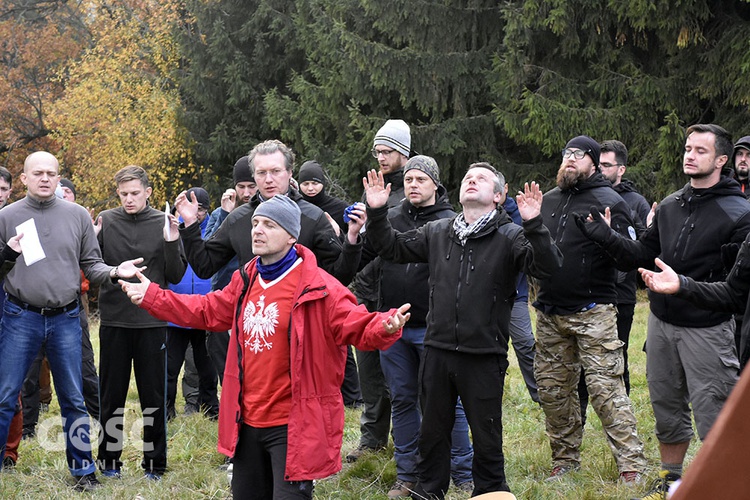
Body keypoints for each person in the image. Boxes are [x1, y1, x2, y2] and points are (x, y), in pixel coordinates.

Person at [119, 195, 411, 499]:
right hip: (246, 421)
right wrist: (152, 296)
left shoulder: (319, 287)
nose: (257, 230)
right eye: (255, 223)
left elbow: (356, 324)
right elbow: (206, 310)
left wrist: (384, 325)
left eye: (269, 225)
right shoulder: (245, 280)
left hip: (293, 425)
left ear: (291, 236)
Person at [363, 162, 563, 498]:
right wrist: (379, 211)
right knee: (432, 435)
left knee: (487, 438)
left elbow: (549, 267)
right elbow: (391, 248)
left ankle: (489, 492)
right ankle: (428, 492)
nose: (472, 180)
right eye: (468, 177)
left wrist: (534, 225)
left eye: (482, 178)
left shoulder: (510, 235)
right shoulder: (439, 231)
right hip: (437, 350)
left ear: (499, 196)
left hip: (483, 354)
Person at [575, 124, 750, 499]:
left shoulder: (740, 213)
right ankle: (671, 478)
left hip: (708, 329)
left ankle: (725, 486)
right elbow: (642, 256)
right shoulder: (671, 204)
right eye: (687, 148)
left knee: (714, 413)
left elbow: (737, 294)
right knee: (666, 405)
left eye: (700, 151)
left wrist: (682, 285)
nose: (690, 155)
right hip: (661, 323)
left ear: (722, 159)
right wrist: (605, 236)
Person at [0, 151, 145, 491]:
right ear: (24, 179)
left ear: (59, 176)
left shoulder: (78, 215)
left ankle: (82, 470)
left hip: (66, 317)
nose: (45, 179)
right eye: (38, 173)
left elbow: (92, 264)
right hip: (20, 317)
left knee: (73, 399)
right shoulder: (6, 217)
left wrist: (113, 271)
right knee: (6, 396)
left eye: (51, 173)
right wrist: (8, 254)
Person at [356, 155, 474, 497]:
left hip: (434, 329)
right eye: (409, 179)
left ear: (435, 184)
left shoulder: (452, 222)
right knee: (403, 399)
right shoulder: (389, 219)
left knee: (447, 401)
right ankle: (408, 474)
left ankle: (462, 472)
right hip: (392, 327)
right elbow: (366, 259)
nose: (413, 185)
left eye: (421, 179)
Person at [533, 135, 647, 483]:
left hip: (594, 312)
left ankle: (632, 467)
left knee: (606, 392)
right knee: (554, 393)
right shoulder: (548, 202)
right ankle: (564, 462)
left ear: (594, 163)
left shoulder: (610, 200)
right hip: (549, 313)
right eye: (566, 153)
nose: (569, 159)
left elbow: (633, 257)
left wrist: (605, 235)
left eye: (579, 155)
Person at [96, 165, 187, 480]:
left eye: (135, 193)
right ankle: (109, 462)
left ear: (148, 192)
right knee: (111, 396)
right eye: (123, 194)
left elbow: (175, 275)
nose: (129, 199)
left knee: (154, 398)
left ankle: (155, 465)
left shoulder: (162, 222)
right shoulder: (106, 221)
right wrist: (93, 242)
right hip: (114, 321)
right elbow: (94, 269)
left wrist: (172, 240)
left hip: (152, 322)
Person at [175, 140, 361, 286]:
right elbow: (204, 266)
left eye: (275, 171)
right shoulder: (238, 219)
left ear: (289, 173)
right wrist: (190, 224)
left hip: (301, 325)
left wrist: (352, 239)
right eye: (261, 173)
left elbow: (339, 277)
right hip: (253, 322)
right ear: (254, 176)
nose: (269, 179)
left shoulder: (313, 217)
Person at [347, 119, 412, 462]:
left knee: (401, 377)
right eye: (377, 151)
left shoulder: (414, 189)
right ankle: (372, 440)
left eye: (388, 151)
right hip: (367, 290)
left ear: (403, 152)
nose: (381, 157)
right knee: (369, 371)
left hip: (399, 294)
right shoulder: (372, 187)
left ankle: (408, 441)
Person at [577, 139, 650, 422]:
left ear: (621, 169)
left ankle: (622, 419)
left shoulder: (634, 202)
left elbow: (643, 247)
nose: (601, 169)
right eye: (599, 164)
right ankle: (578, 420)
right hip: (587, 295)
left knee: (617, 360)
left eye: (607, 165)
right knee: (581, 366)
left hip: (620, 294)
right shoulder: (586, 196)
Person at [296, 159, 363, 408]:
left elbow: (354, 242)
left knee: (339, 337)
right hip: (304, 280)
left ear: (322, 183)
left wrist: (339, 232)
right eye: (306, 183)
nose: (311, 188)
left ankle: (354, 396)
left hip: (333, 279)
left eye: (315, 183)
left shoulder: (338, 207)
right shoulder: (295, 208)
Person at [203, 155, 258, 385]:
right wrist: (225, 214)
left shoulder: (267, 214)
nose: (246, 193)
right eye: (241, 187)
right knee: (221, 351)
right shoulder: (220, 214)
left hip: (254, 293)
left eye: (251, 187)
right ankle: (229, 394)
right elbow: (207, 251)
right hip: (224, 291)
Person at [166, 187, 219, 420]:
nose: (195, 214)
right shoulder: (169, 229)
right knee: (169, 366)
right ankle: (166, 410)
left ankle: (210, 409)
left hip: (205, 310)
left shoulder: (214, 230)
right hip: (175, 310)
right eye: (191, 209)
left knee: (207, 366)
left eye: (201, 210)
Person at [500, 184, 539, 403]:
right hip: (485, 295)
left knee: (525, 343)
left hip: (516, 295)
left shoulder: (520, 213)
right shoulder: (478, 213)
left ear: (504, 188)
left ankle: (540, 395)